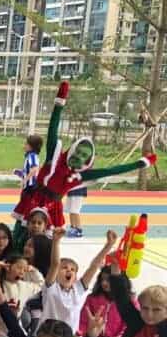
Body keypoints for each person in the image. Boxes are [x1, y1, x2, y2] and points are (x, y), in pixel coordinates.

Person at [11, 81, 157, 231]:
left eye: (84, 156)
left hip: (52, 209)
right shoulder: (54, 157)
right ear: (72, 149)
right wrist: (59, 102)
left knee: (46, 240)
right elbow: (52, 129)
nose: (79, 157)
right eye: (78, 152)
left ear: (87, 161)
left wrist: (140, 163)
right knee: (20, 234)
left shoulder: (82, 175)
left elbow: (112, 170)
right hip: (32, 200)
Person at [39, 228, 117, 334]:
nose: (69, 270)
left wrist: (109, 245)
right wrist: (56, 241)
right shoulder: (51, 288)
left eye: (72, 269)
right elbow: (55, 264)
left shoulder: (78, 289)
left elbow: (94, 266)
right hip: (47, 336)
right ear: (55, 274)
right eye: (64, 267)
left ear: (75, 278)